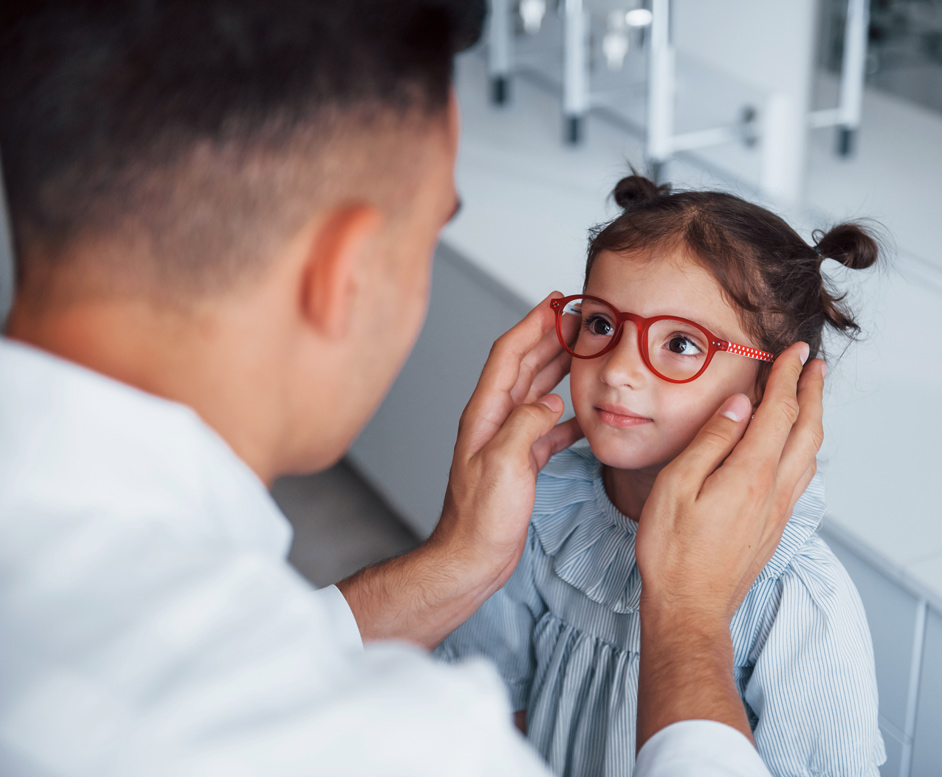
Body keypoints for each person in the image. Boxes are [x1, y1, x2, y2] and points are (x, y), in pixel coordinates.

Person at [0, 2, 825, 775]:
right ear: (346, 274)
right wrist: (687, 623)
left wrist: (457, 563)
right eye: (432, 230)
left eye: (678, 343)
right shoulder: (402, 744)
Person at [436, 175, 887, 777]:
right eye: (601, 324)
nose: (619, 369)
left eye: (680, 342)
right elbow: (491, 702)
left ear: (774, 386)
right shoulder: (539, 506)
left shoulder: (799, 596)